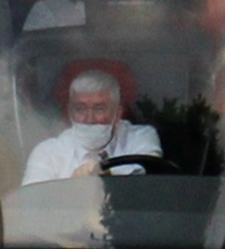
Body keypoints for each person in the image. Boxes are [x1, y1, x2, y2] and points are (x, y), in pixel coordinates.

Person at [21, 69, 162, 185]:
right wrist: (69, 187)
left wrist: (104, 173)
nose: (89, 118)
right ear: (70, 112)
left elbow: (147, 174)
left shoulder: (140, 137)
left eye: (99, 108)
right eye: (80, 108)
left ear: (118, 113)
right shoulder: (48, 152)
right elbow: (32, 201)